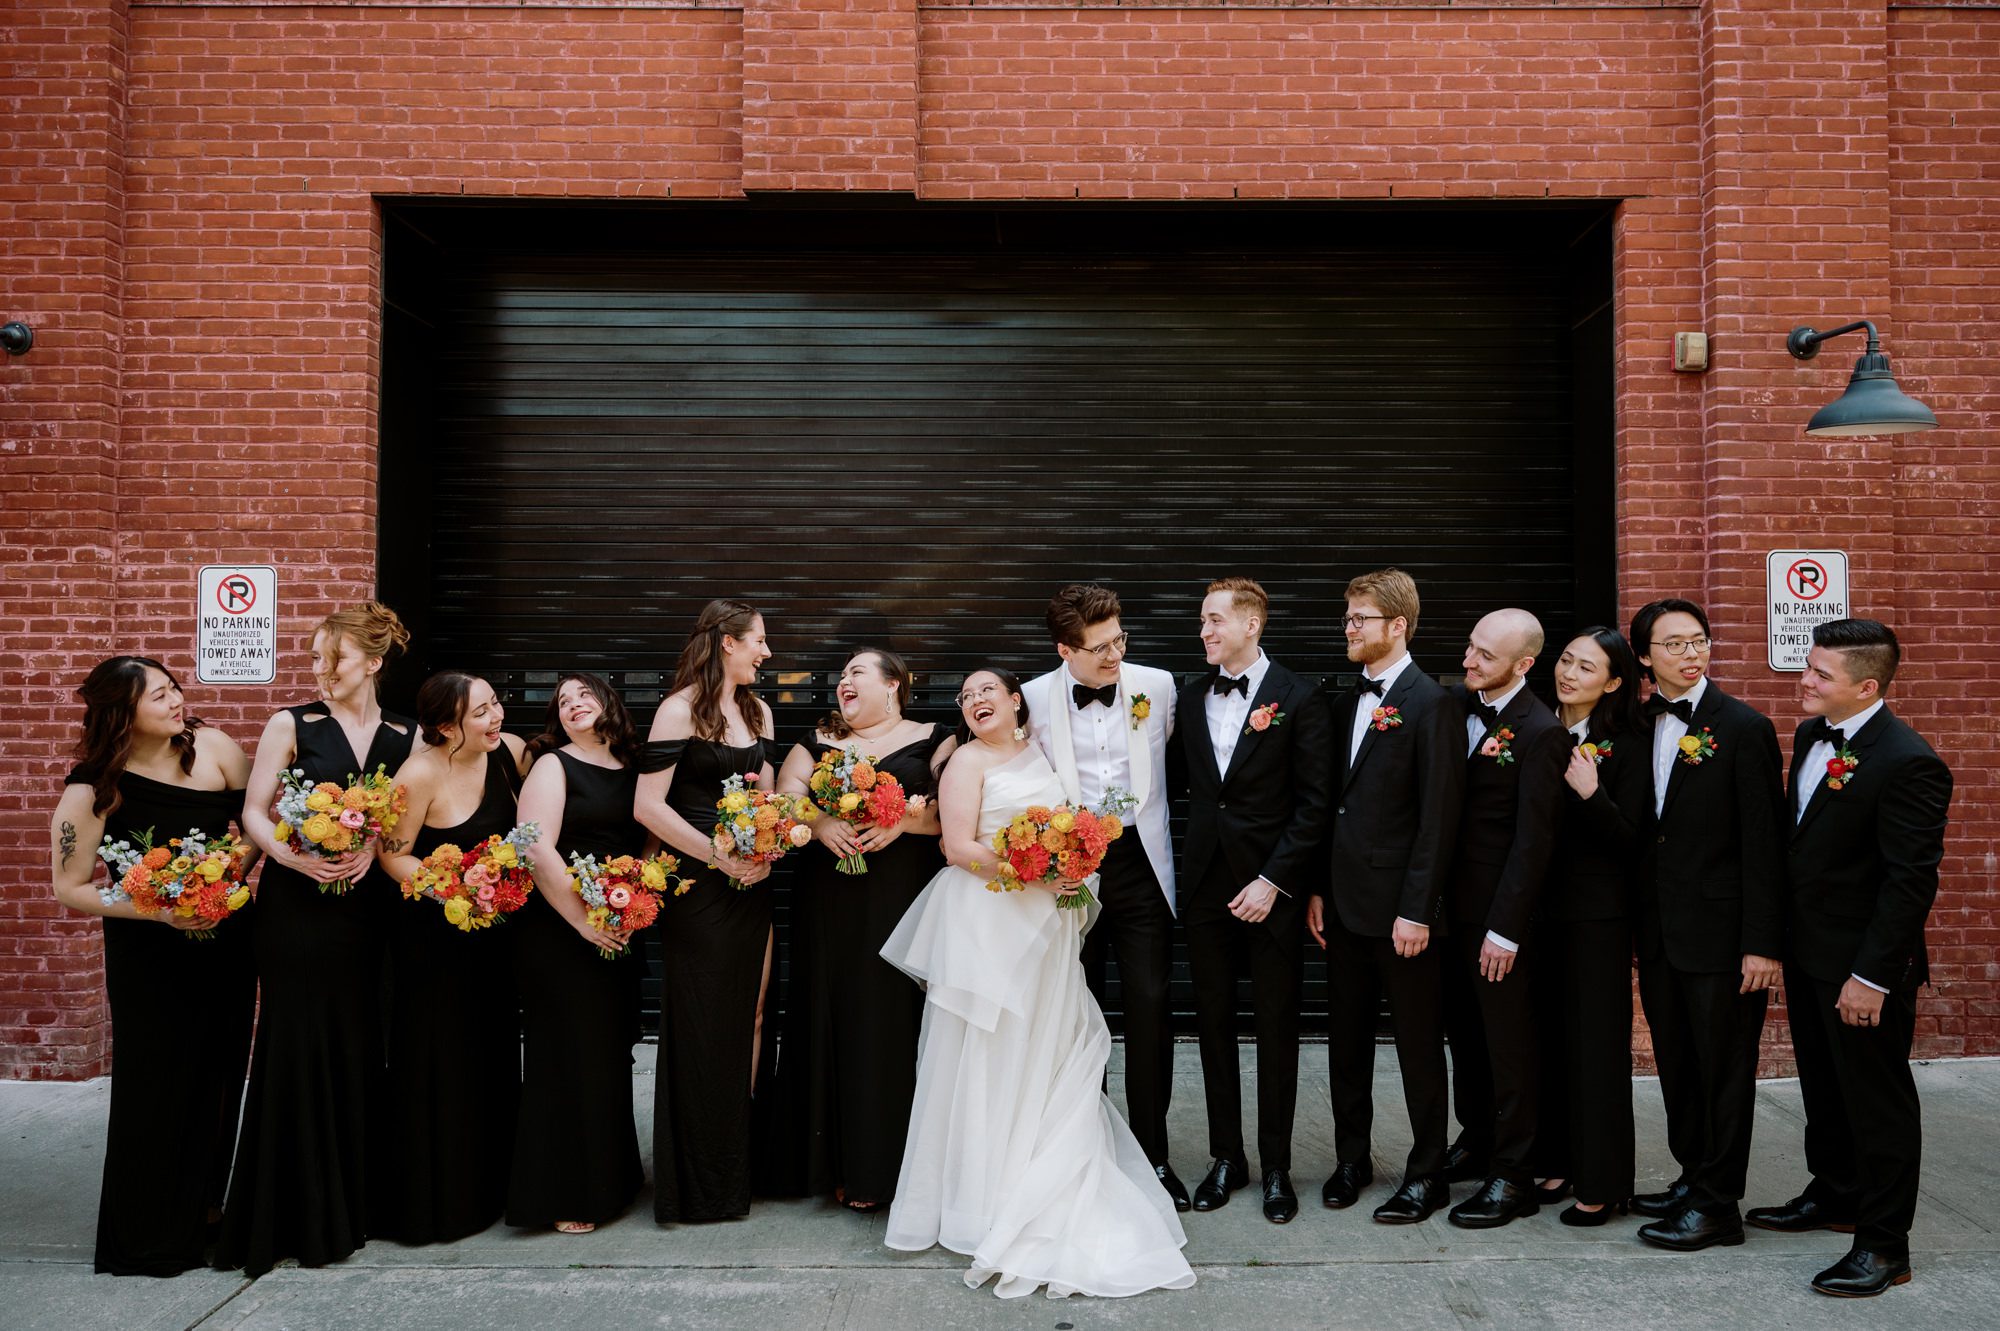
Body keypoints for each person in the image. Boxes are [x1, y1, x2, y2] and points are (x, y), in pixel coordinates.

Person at [880, 668, 1195, 1298]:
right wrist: (1034, 874)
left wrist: (1069, 866)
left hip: (1050, 927)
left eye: (985, 692)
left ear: (1015, 700)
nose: (974, 703)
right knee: (988, 1055)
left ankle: (1040, 1168)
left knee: (1047, 1051)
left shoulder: (1042, 752)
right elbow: (957, 847)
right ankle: (982, 1195)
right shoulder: (965, 762)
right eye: (965, 698)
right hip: (988, 921)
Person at [1748, 619, 1951, 1297]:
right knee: (1824, 1088)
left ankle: (1885, 1244)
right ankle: (1834, 1194)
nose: (1804, 680)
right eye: (1807, 666)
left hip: (1865, 969)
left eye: (1819, 674)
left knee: (1877, 1103)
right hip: (1810, 955)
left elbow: (1908, 883)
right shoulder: (1811, 736)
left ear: (1866, 685)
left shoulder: (1908, 760)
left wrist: (1870, 977)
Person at [216, 603, 417, 1276]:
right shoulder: (291, 723)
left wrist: (373, 844)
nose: (322, 671)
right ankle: (291, 1212)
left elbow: (402, 820)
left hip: (371, 909)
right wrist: (292, 857)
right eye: (314, 659)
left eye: (336, 658)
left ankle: (355, 1204)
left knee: (363, 1039)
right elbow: (253, 809)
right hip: (298, 907)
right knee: (297, 1039)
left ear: (374, 663)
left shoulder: (405, 732)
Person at [49, 657, 258, 1276]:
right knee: (157, 1082)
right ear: (123, 712)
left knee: (221, 1073)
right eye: (159, 696)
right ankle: (147, 1230)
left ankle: (209, 1212)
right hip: (149, 954)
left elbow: (255, 825)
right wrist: (161, 911)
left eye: (174, 689)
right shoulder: (93, 787)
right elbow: (69, 886)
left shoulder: (215, 747)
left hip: (224, 938)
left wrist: (220, 879)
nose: (175, 702)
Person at [1627, 597, 1787, 1253]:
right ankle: (1694, 1178)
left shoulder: (1744, 728)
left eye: (1698, 641)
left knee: (1724, 1071)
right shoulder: (1637, 724)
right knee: (1678, 1066)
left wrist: (1762, 943)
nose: (1691, 653)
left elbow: (1765, 844)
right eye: (1674, 644)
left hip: (1725, 940)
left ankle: (1720, 1206)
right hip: (1662, 935)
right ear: (1644, 656)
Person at [1019, 584, 1185, 1210]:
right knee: (1073, 1018)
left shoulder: (1160, 685)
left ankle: (1153, 1154)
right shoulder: (1031, 699)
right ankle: (1084, 1152)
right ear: (1066, 650)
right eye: (1099, 648)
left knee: (1150, 1007)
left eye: (1120, 639)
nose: (1115, 655)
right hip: (1070, 875)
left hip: (1143, 867)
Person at [1307, 568, 1465, 1224]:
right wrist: (1316, 887)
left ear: (1397, 625)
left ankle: (1426, 1173)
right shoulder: (1345, 700)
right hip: (1341, 908)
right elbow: (1330, 807)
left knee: (1419, 1048)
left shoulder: (1433, 703)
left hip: (1403, 916)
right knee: (1346, 1043)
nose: (1349, 628)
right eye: (1347, 617)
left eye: (1360, 619)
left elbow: (1439, 818)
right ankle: (1351, 1160)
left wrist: (1417, 909)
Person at [770, 648, 952, 1211]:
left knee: (892, 1022)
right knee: (832, 1015)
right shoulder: (816, 741)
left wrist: (902, 822)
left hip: (905, 904)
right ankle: (833, 1167)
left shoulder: (936, 737)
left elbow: (956, 810)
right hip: (830, 904)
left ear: (895, 683)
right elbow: (784, 800)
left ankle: (891, 1168)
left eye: (855, 673)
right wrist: (821, 820)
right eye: (840, 676)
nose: (842, 682)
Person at [1172, 577, 1330, 1223]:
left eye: (1214, 621)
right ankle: (1226, 1157)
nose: (1205, 631)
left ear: (1251, 625)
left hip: (1272, 890)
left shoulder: (1300, 696)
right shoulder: (1188, 696)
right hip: (1208, 885)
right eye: (1204, 622)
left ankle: (1277, 1167)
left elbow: (1315, 803)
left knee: (1275, 1029)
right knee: (1212, 1025)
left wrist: (1274, 881)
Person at [634, 599, 783, 1223]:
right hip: (699, 886)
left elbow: (766, 794)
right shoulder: (679, 709)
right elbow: (649, 806)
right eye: (759, 641)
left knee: (750, 1013)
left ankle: (734, 1161)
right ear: (727, 642)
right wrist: (717, 857)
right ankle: (695, 1180)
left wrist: (767, 846)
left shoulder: (758, 710)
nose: (767, 653)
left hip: (753, 884)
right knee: (702, 1022)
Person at [373, 671, 529, 1245]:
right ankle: (442, 1203)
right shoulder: (417, 775)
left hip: (493, 937)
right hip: (433, 944)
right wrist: (460, 888)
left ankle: (492, 1189)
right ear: (445, 726)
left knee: (491, 1053)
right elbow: (393, 857)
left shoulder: (508, 755)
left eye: (495, 705)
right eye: (482, 712)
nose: (497, 719)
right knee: (442, 1060)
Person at [1438, 609, 1567, 1229]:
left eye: (1485, 656)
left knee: (1510, 1047)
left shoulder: (1541, 732)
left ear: (1523, 666)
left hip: (1499, 921)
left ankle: (1513, 1174)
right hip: (1451, 914)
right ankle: (1477, 1138)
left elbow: (1533, 842)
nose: (1469, 661)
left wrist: (1505, 929)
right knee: (1466, 1036)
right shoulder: (1458, 708)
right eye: (1470, 646)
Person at [506, 672, 649, 1233]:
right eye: (562, 702)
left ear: (609, 701)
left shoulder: (634, 766)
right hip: (560, 929)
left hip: (616, 925)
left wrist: (634, 903)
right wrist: (585, 922)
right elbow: (535, 846)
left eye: (583, 694)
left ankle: (613, 1181)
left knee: (609, 1054)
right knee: (567, 1056)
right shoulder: (553, 765)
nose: (573, 706)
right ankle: (566, 1194)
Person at [1532, 628, 1647, 1225]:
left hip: (1596, 919)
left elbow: (1634, 841)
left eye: (1587, 666)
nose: (1569, 672)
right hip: (1536, 913)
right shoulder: (1536, 723)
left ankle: (1603, 1182)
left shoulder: (1626, 743)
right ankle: (1557, 1158)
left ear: (1614, 681)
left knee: (1596, 1049)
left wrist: (1591, 794)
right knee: (1547, 1043)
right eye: (1567, 660)